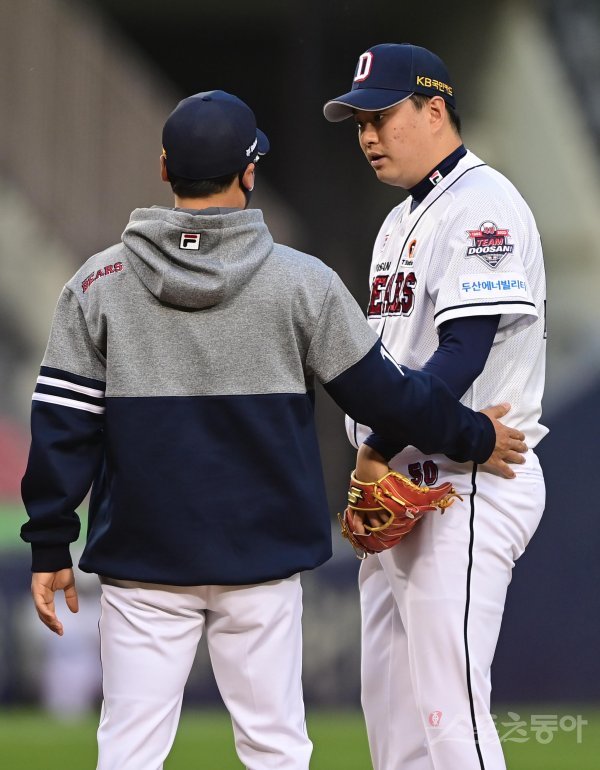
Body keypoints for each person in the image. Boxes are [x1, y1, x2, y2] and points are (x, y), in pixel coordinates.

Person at [21, 90, 525, 770]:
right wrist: (473, 436)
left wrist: (50, 541)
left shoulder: (97, 283)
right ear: (249, 171)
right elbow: (389, 398)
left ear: (165, 167)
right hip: (261, 562)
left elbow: (62, 427)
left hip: (143, 562)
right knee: (276, 751)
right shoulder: (302, 283)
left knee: (128, 752)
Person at [324, 44, 547, 770]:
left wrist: (375, 448)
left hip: (467, 481)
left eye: (382, 116)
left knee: (452, 723)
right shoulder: (399, 221)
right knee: (396, 734)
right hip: (402, 483)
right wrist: (380, 457)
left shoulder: (482, 205)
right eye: (360, 122)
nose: (367, 135)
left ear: (434, 110)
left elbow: (462, 355)